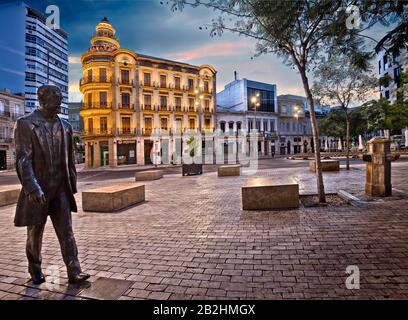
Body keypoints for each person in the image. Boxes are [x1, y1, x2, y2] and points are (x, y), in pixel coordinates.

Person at [14, 85, 90, 284]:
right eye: (56, 99)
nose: (60, 103)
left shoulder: (65, 126)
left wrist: (71, 185)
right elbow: (23, 160)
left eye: (61, 99)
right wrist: (33, 188)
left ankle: (74, 270)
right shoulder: (25, 124)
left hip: (60, 190)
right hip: (38, 190)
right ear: (43, 100)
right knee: (34, 234)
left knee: (67, 232)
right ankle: (35, 269)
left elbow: (70, 159)